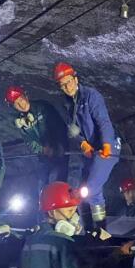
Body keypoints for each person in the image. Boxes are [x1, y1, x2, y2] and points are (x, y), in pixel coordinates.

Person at [53, 62, 119, 233]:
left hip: (108, 147)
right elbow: (73, 130)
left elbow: (103, 122)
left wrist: (107, 144)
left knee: (91, 189)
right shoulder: (67, 104)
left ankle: (99, 231)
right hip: (90, 151)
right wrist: (83, 143)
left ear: (76, 79)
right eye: (63, 85)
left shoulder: (91, 96)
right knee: (85, 190)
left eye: (69, 82)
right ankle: (92, 231)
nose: (67, 87)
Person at [5, 85, 69, 193]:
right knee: (43, 186)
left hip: (59, 151)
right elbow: (29, 141)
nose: (21, 104)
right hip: (43, 156)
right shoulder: (20, 121)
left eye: (20, 99)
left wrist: (58, 145)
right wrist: (42, 150)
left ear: (26, 96)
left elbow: (59, 126)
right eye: (16, 103)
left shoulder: (42, 107)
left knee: (59, 181)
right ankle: (44, 202)